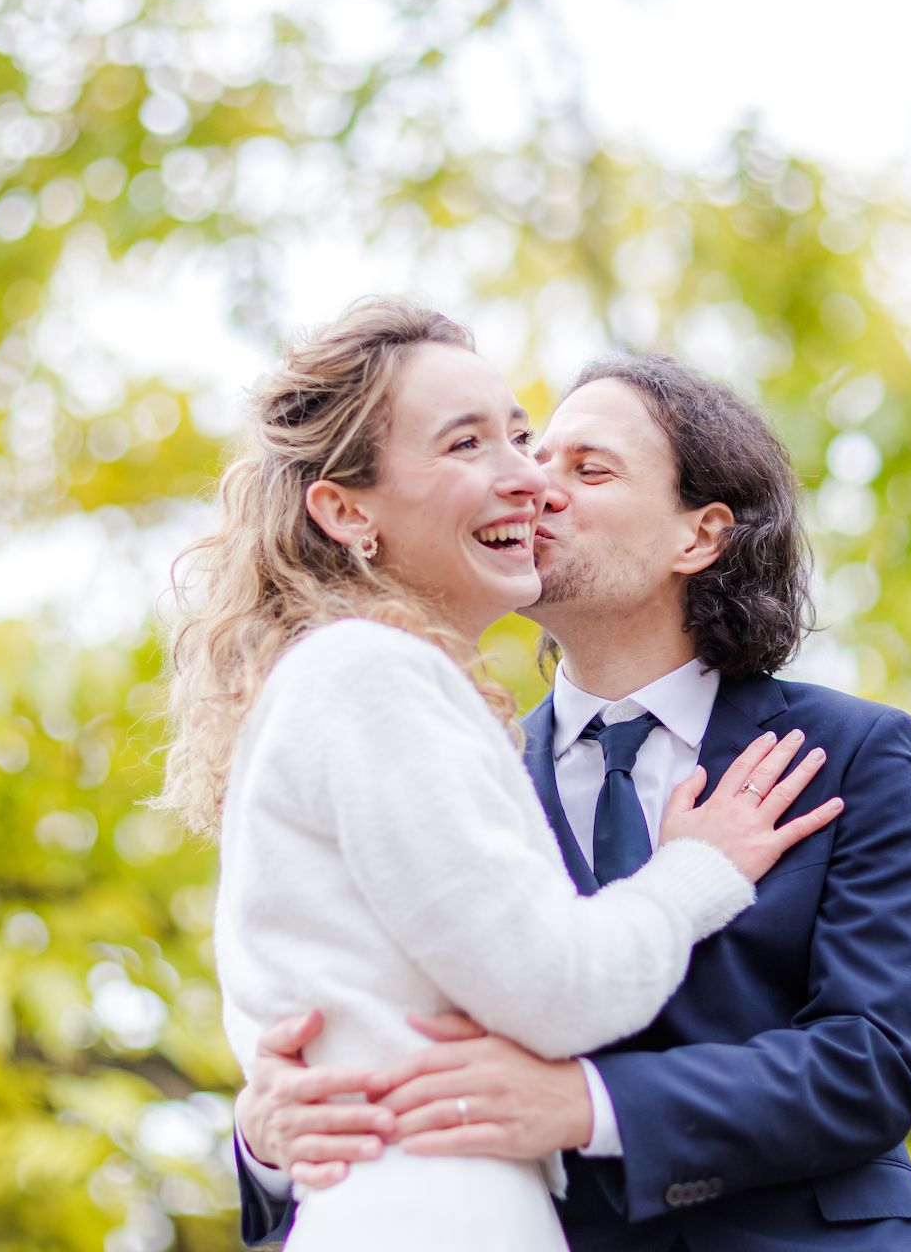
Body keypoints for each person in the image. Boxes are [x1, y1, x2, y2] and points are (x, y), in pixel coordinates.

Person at [151, 300, 846, 1252]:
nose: (531, 480)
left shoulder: (846, 747)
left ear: (704, 534)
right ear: (347, 509)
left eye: (524, 439)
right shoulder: (372, 678)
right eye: (468, 444)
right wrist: (697, 873)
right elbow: (558, 990)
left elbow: (869, 1060)